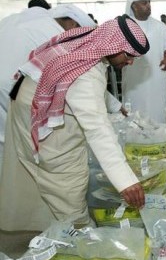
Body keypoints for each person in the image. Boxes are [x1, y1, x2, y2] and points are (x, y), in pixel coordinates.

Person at [0, 15, 150, 232]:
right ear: (115, 45)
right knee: (67, 178)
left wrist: (116, 106)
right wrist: (125, 181)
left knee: (46, 176)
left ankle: (53, 225)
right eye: (129, 55)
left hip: (28, 106)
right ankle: (79, 230)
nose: (130, 61)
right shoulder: (87, 74)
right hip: (40, 118)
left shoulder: (87, 43)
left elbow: (80, 82)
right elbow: (98, 130)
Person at [0, 4, 97, 181]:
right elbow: (80, 79)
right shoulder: (54, 33)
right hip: (12, 94)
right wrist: (113, 105)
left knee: (6, 151)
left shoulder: (12, 19)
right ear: (73, 25)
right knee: (22, 153)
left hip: (10, 89)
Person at [123, 0, 166, 124]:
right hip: (134, 81)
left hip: (157, 78)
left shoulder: (160, 27)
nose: (149, 5)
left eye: (149, 2)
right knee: (136, 115)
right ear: (134, 6)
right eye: (144, 3)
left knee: (157, 114)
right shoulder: (125, 27)